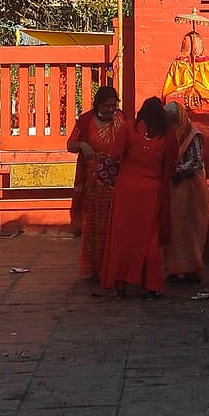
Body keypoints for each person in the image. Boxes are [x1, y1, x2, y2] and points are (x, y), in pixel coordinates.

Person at [100, 96, 177, 299]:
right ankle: (152, 286)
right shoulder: (168, 135)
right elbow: (172, 164)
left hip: (126, 190)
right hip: (152, 192)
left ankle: (120, 284)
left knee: (122, 238)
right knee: (150, 239)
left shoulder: (127, 128)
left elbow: (113, 156)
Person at [66, 84, 128, 280]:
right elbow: (70, 145)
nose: (111, 109)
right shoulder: (85, 121)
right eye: (107, 106)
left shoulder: (122, 118)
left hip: (117, 179)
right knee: (94, 226)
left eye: (113, 105)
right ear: (98, 105)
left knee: (115, 225)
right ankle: (94, 268)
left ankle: (115, 267)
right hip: (93, 182)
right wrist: (83, 145)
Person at [164, 100, 209, 283]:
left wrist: (177, 171)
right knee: (174, 228)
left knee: (192, 227)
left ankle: (192, 267)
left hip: (191, 187)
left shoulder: (193, 134)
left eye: (173, 119)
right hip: (174, 188)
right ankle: (175, 268)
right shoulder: (169, 134)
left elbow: (196, 161)